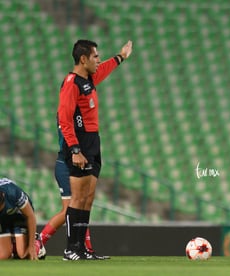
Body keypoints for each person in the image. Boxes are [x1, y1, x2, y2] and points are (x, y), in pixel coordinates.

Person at [57, 39, 132, 260]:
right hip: (79, 144)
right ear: (83, 58)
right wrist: (74, 149)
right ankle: (70, 248)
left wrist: (120, 57)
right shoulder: (71, 83)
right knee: (77, 198)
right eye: (95, 56)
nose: (98, 60)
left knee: (88, 197)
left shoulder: (87, 80)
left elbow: (104, 71)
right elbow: (65, 119)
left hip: (93, 142)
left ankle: (82, 248)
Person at [39, 127, 108, 259]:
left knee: (80, 206)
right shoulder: (68, 114)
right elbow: (68, 134)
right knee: (71, 209)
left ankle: (84, 248)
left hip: (72, 161)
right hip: (66, 163)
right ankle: (40, 241)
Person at [0, 177, 46, 260]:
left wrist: (31, 246)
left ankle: (36, 241)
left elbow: (30, 216)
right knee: (3, 256)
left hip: (19, 217)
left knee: (23, 254)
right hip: (3, 220)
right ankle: (14, 246)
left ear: (3, 196)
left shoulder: (13, 192)